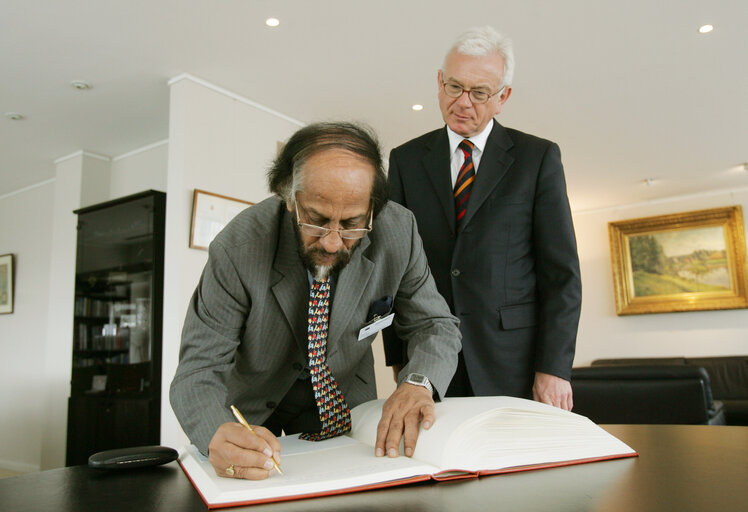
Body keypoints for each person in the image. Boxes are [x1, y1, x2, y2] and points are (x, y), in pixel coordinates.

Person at [170, 122, 460, 480]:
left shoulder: (399, 232)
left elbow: (435, 325)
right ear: (289, 198)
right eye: (317, 221)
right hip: (252, 405)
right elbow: (197, 371)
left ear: (373, 209)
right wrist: (215, 431)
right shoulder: (238, 249)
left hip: (345, 399)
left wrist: (417, 382)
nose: (333, 243)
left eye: (352, 223)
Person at [385, 26, 581, 410]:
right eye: (454, 87)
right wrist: (398, 357)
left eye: (479, 92)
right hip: (429, 358)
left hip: (512, 360)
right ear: (439, 82)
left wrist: (554, 368)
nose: (463, 102)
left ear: (502, 97)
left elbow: (561, 274)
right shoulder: (405, 161)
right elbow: (394, 268)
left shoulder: (537, 158)